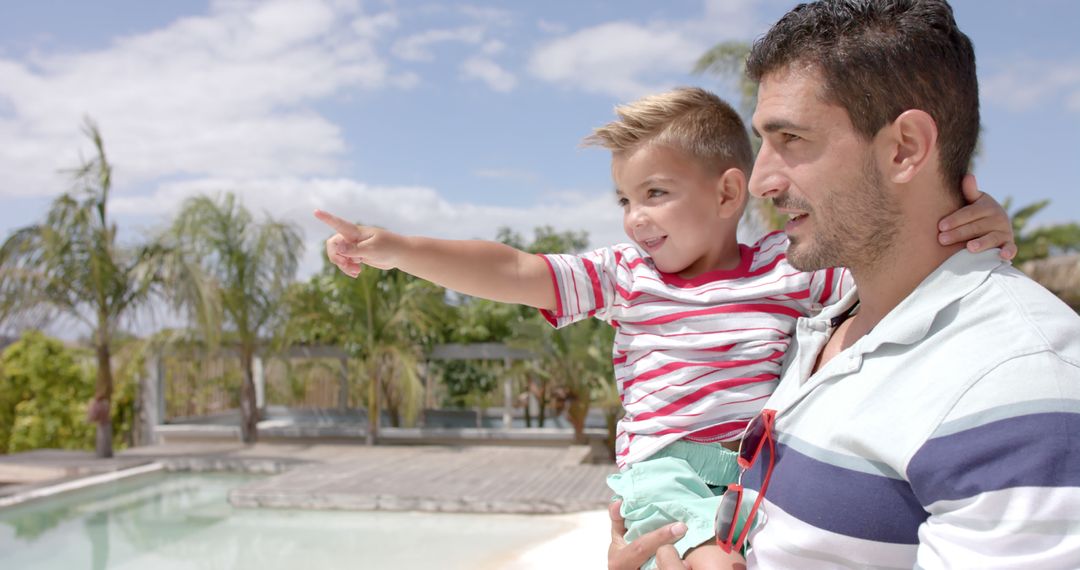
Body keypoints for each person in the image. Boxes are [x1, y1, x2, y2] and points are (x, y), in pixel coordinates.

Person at [316, 87, 1015, 569]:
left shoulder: (788, 268)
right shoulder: (627, 276)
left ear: (727, 193)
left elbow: (900, 263)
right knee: (710, 557)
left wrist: (978, 228)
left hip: (756, 472)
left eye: (655, 194)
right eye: (625, 199)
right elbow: (516, 270)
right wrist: (397, 249)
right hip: (664, 466)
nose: (635, 217)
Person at [607, 1, 1080, 568]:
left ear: (905, 148)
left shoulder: (1016, 379)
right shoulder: (820, 324)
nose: (759, 181)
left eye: (791, 139)